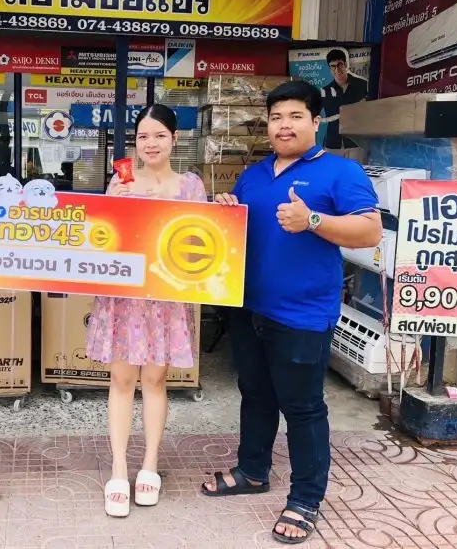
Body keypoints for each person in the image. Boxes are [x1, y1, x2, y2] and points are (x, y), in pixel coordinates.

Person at [204, 80, 381, 544]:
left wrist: (313, 220)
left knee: (302, 407)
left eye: (295, 116)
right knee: (255, 394)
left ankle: (305, 499)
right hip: (249, 308)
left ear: (316, 122)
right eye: (277, 117)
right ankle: (252, 471)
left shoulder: (340, 172)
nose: (284, 125)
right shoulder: (254, 175)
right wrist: (225, 209)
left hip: (302, 315)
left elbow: (370, 232)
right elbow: (239, 232)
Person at [85, 104, 207, 518]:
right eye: (142, 137)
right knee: (121, 380)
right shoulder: (119, 183)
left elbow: (203, 242)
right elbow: (102, 241)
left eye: (159, 135)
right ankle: (119, 469)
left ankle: (150, 464)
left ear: (174, 139)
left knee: (155, 380)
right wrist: (112, 206)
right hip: (124, 297)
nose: (150, 143)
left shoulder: (191, 186)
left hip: (167, 298)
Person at [320, 48, 368, 150]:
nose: (337, 70)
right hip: (333, 144)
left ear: (346, 64)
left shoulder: (363, 85)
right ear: (330, 69)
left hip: (357, 143)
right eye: (333, 66)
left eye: (340, 65)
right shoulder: (325, 91)